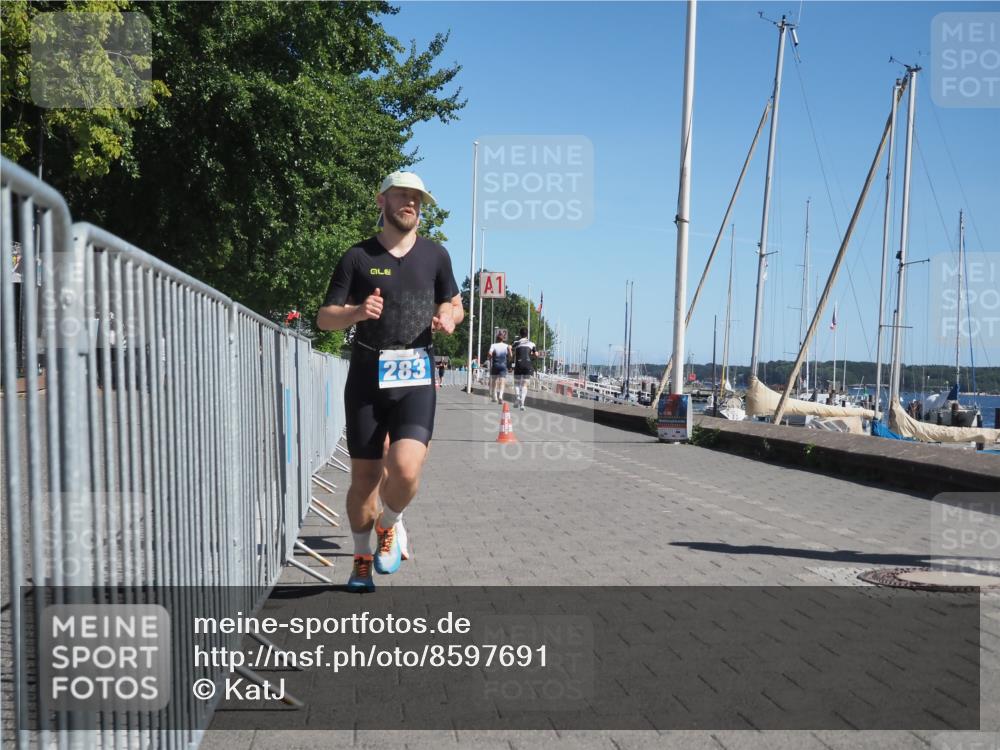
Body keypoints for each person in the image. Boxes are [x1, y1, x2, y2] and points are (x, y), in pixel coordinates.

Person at [317, 171, 462, 592]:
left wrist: (449, 317)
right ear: (382, 201)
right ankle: (361, 561)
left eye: (417, 198)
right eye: (402, 195)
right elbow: (325, 318)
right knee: (364, 480)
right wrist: (357, 312)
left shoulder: (436, 256)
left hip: (415, 376)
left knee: (406, 468)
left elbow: (454, 303)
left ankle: (390, 522)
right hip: (366, 378)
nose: (410, 203)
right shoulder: (357, 257)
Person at [511, 326, 538, 410]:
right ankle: (522, 404)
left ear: (520, 334)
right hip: (527, 364)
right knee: (525, 385)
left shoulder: (516, 342)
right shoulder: (532, 343)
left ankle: (518, 397)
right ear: (527, 334)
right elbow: (536, 354)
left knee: (517, 383)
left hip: (518, 364)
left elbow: (510, 348)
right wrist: (532, 355)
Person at [487, 331, 512, 402]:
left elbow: (490, 353)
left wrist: (489, 357)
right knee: (502, 381)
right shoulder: (506, 346)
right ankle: (500, 396)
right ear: (503, 339)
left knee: (494, 381)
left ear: (497, 338)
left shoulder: (493, 345)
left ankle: (494, 396)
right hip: (503, 365)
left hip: (495, 365)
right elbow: (510, 356)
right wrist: (510, 349)